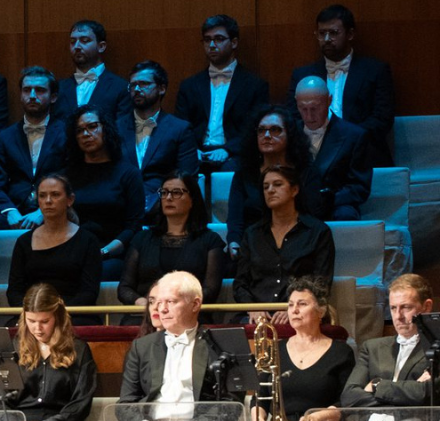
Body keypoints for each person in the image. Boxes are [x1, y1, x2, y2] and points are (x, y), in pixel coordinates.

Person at [284, 275, 433, 421]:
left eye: (406, 307)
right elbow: (350, 396)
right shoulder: (373, 347)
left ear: (426, 307)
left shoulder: (434, 350)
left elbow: (426, 393)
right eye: (393, 308)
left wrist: (377, 385)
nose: (398, 316)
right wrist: (405, 391)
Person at [109, 272, 223, 421]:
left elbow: (229, 404)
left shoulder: (218, 345)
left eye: (170, 302)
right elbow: (126, 404)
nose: (161, 309)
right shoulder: (142, 347)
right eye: (157, 302)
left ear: (195, 304)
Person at [290, 4, 396, 165]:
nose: (326, 39)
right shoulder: (302, 75)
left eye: (333, 33)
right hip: (314, 155)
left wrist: (345, 140)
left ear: (350, 34)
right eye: (321, 33)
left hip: (363, 153)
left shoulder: (375, 71)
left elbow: (382, 119)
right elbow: (293, 117)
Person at [10, 285, 96, 421]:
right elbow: (1, 396)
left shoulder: (78, 349)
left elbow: (80, 404)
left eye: (44, 321)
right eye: (31, 321)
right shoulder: (14, 347)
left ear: (57, 316)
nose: (37, 328)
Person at [120, 173, 227, 312]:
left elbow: (210, 291)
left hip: (189, 313)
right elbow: (124, 288)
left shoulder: (210, 241)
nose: (168, 198)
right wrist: (141, 302)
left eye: (176, 193)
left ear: (192, 200)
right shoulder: (141, 239)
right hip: (146, 313)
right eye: (164, 193)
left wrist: (177, 303)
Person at [178, 15, 270, 174]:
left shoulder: (255, 85)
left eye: (219, 39)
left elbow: (255, 128)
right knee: (182, 173)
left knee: (231, 172)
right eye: (207, 40)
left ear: (234, 42)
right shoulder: (189, 85)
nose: (212, 45)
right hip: (197, 152)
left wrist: (228, 149)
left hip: (234, 154)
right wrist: (192, 149)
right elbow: (182, 125)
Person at [224, 109, 328, 248]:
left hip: (297, 244)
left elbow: (311, 216)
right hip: (252, 245)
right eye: (261, 130)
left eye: (275, 130)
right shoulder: (245, 173)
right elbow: (235, 218)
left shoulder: (306, 172)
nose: (267, 135)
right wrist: (234, 242)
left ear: (290, 135)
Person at [234, 166, 336, 305]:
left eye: (277, 184)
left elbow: (321, 283)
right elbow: (240, 284)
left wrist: (293, 307)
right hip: (256, 312)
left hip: (301, 310)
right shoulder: (252, 234)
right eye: (265, 187)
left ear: (294, 190)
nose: (270, 190)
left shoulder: (318, 232)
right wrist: (253, 308)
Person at [61, 105, 144, 272]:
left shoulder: (128, 174)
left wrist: (104, 252)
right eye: (79, 130)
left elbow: (133, 227)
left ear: (106, 129)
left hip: (113, 253)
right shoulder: (67, 176)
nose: (85, 134)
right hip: (73, 250)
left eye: (92, 126)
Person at [7, 175, 104, 309]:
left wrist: (57, 313)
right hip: (33, 312)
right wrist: (33, 312)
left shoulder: (88, 240)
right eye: (42, 196)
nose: (48, 201)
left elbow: (89, 292)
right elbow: (14, 291)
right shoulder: (24, 241)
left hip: (74, 312)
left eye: (55, 195)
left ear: (70, 200)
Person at [269, 277, 353, 421]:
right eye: (290, 305)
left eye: (302, 304)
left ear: (321, 311)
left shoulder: (341, 352)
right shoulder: (275, 349)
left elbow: (347, 399)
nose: (294, 310)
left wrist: (321, 416)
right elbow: (261, 396)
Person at [0, 67, 70, 222]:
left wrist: (42, 212)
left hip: (56, 210)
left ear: (53, 97)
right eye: (27, 90)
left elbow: (72, 178)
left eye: (40, 90)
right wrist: (9, 211)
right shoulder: (5, 137)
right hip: (15, 212)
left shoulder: (67, 133)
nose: (32, 96)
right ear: (21, 95)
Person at [294, 76, 374, 220]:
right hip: (296, 205)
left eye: (315, 108)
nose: (309, 116)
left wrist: (328, 200)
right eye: (303, 108)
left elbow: (359, 187)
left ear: (329, 100)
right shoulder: (290, 133)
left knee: (345, 215)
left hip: (335, 206)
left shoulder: (354, 136)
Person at [118, 61, 197, 204]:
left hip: (163, 204)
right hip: (121, 203)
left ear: (161, 89)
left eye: (144, 84)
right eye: (133, 85)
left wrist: (154, 202)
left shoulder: (180, 129)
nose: (137, 89)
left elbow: (187, 178)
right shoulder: (116, 128)